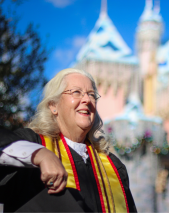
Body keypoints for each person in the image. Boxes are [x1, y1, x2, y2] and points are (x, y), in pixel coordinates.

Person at [0, 68, 137, 213]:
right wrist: (40, 155)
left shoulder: (114, 165)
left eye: (91, 94)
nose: (87, 100)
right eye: (76, 92)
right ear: (53, 105)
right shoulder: (32, 144)